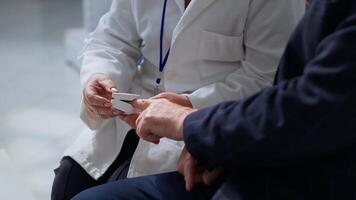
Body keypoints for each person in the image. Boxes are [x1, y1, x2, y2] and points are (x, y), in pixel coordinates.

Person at [72, 0, 356, 199]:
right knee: (69, 180)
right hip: (132, 122)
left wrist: (188, 113)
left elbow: (267, 79)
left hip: (202, 137)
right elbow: (112, 37)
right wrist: (99, 74)